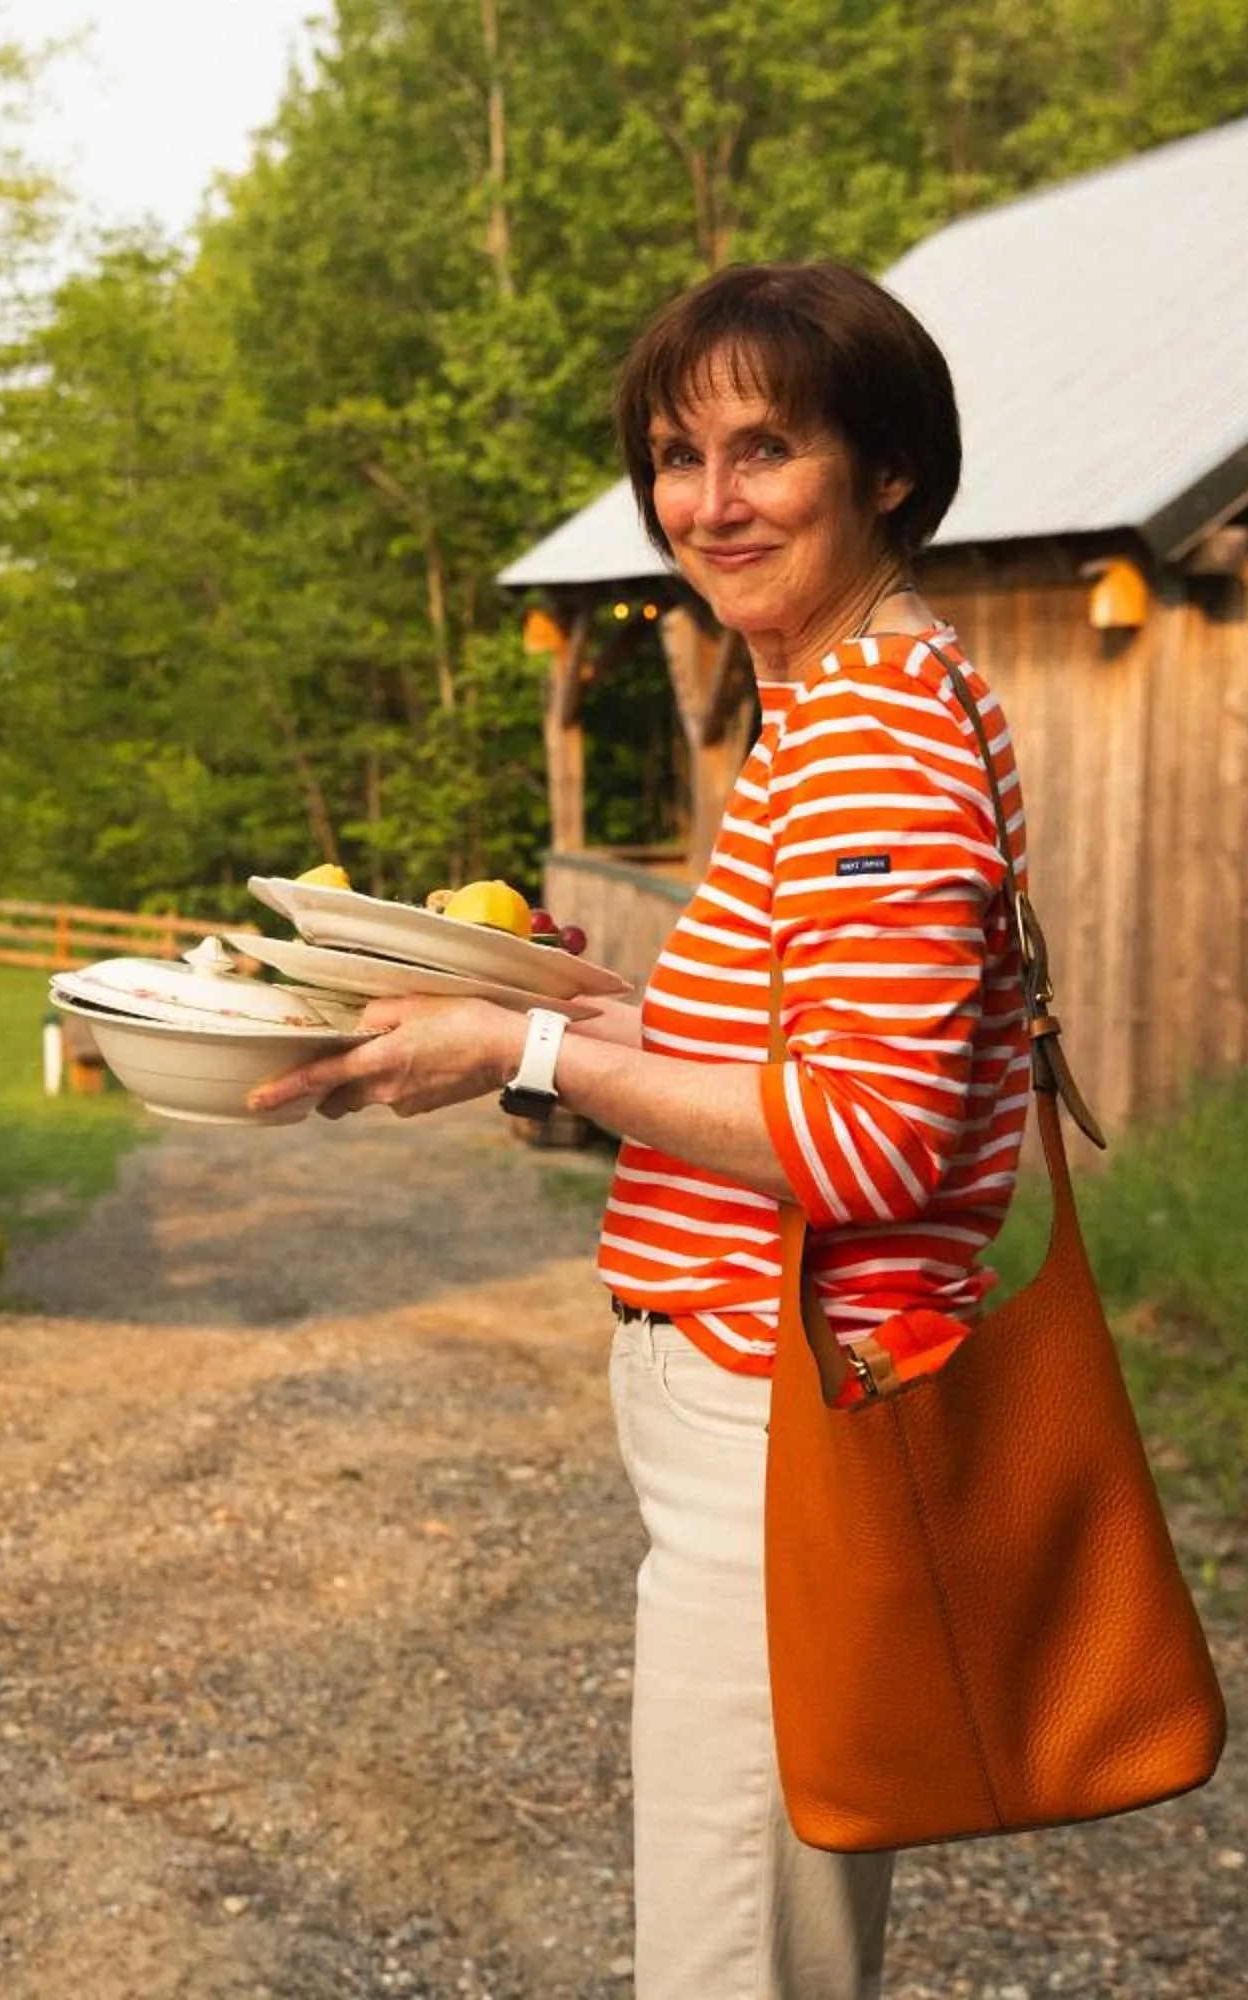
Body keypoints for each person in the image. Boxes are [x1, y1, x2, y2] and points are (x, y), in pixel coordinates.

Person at [247, 260, 1034, 1999]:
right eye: (679, 455)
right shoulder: (839, 699)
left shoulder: (876, 731)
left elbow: (869, 1139)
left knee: (735, 1964)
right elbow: (802, 1064)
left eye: (767, 451)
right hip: (776, 1407)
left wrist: (528, 1047)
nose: (710, 501)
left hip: (789, 1419)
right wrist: (569, 1018)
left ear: (886, 469)